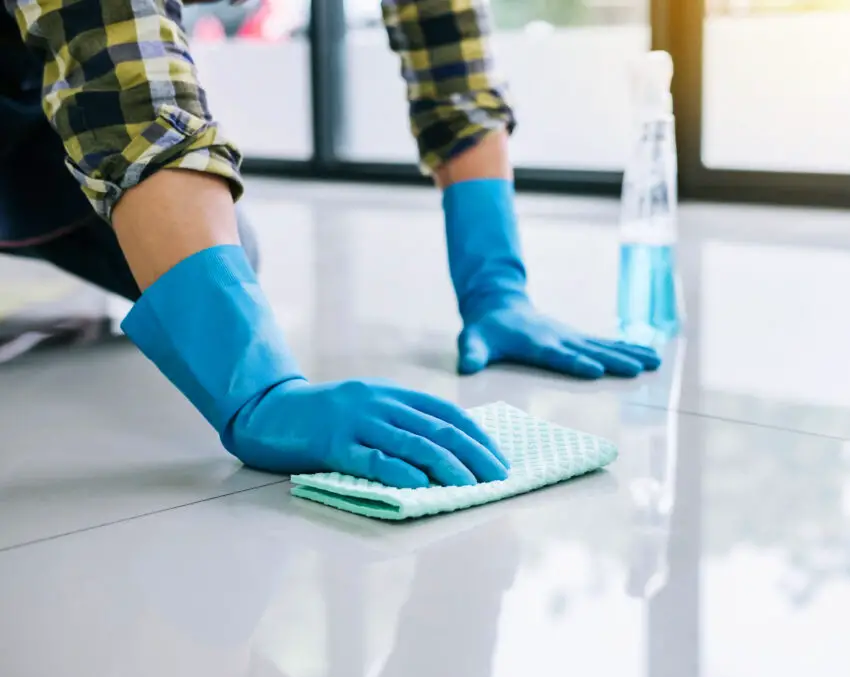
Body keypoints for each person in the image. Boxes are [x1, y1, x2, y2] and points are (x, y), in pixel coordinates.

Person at [0, 0, 661, 487]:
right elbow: (118, 62)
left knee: (225, 261)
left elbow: (445, 40)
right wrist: (257, 389)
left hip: (32, 100)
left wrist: (497, 286)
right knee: (214, 313)